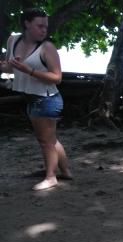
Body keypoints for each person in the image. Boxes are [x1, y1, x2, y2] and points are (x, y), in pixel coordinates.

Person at [0, 8, 72, 190]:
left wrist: (29, 70)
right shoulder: (13, 40)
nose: (44, 30)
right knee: (51, 139)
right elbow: (10, 68)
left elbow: (57, 77)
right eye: (40, 26)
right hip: (31, 98)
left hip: (46, 99)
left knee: (45, 140)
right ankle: (65, 172)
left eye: (45, 27)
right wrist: (6, 66)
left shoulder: (47, 47)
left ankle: (50, 177)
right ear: (26, 24)